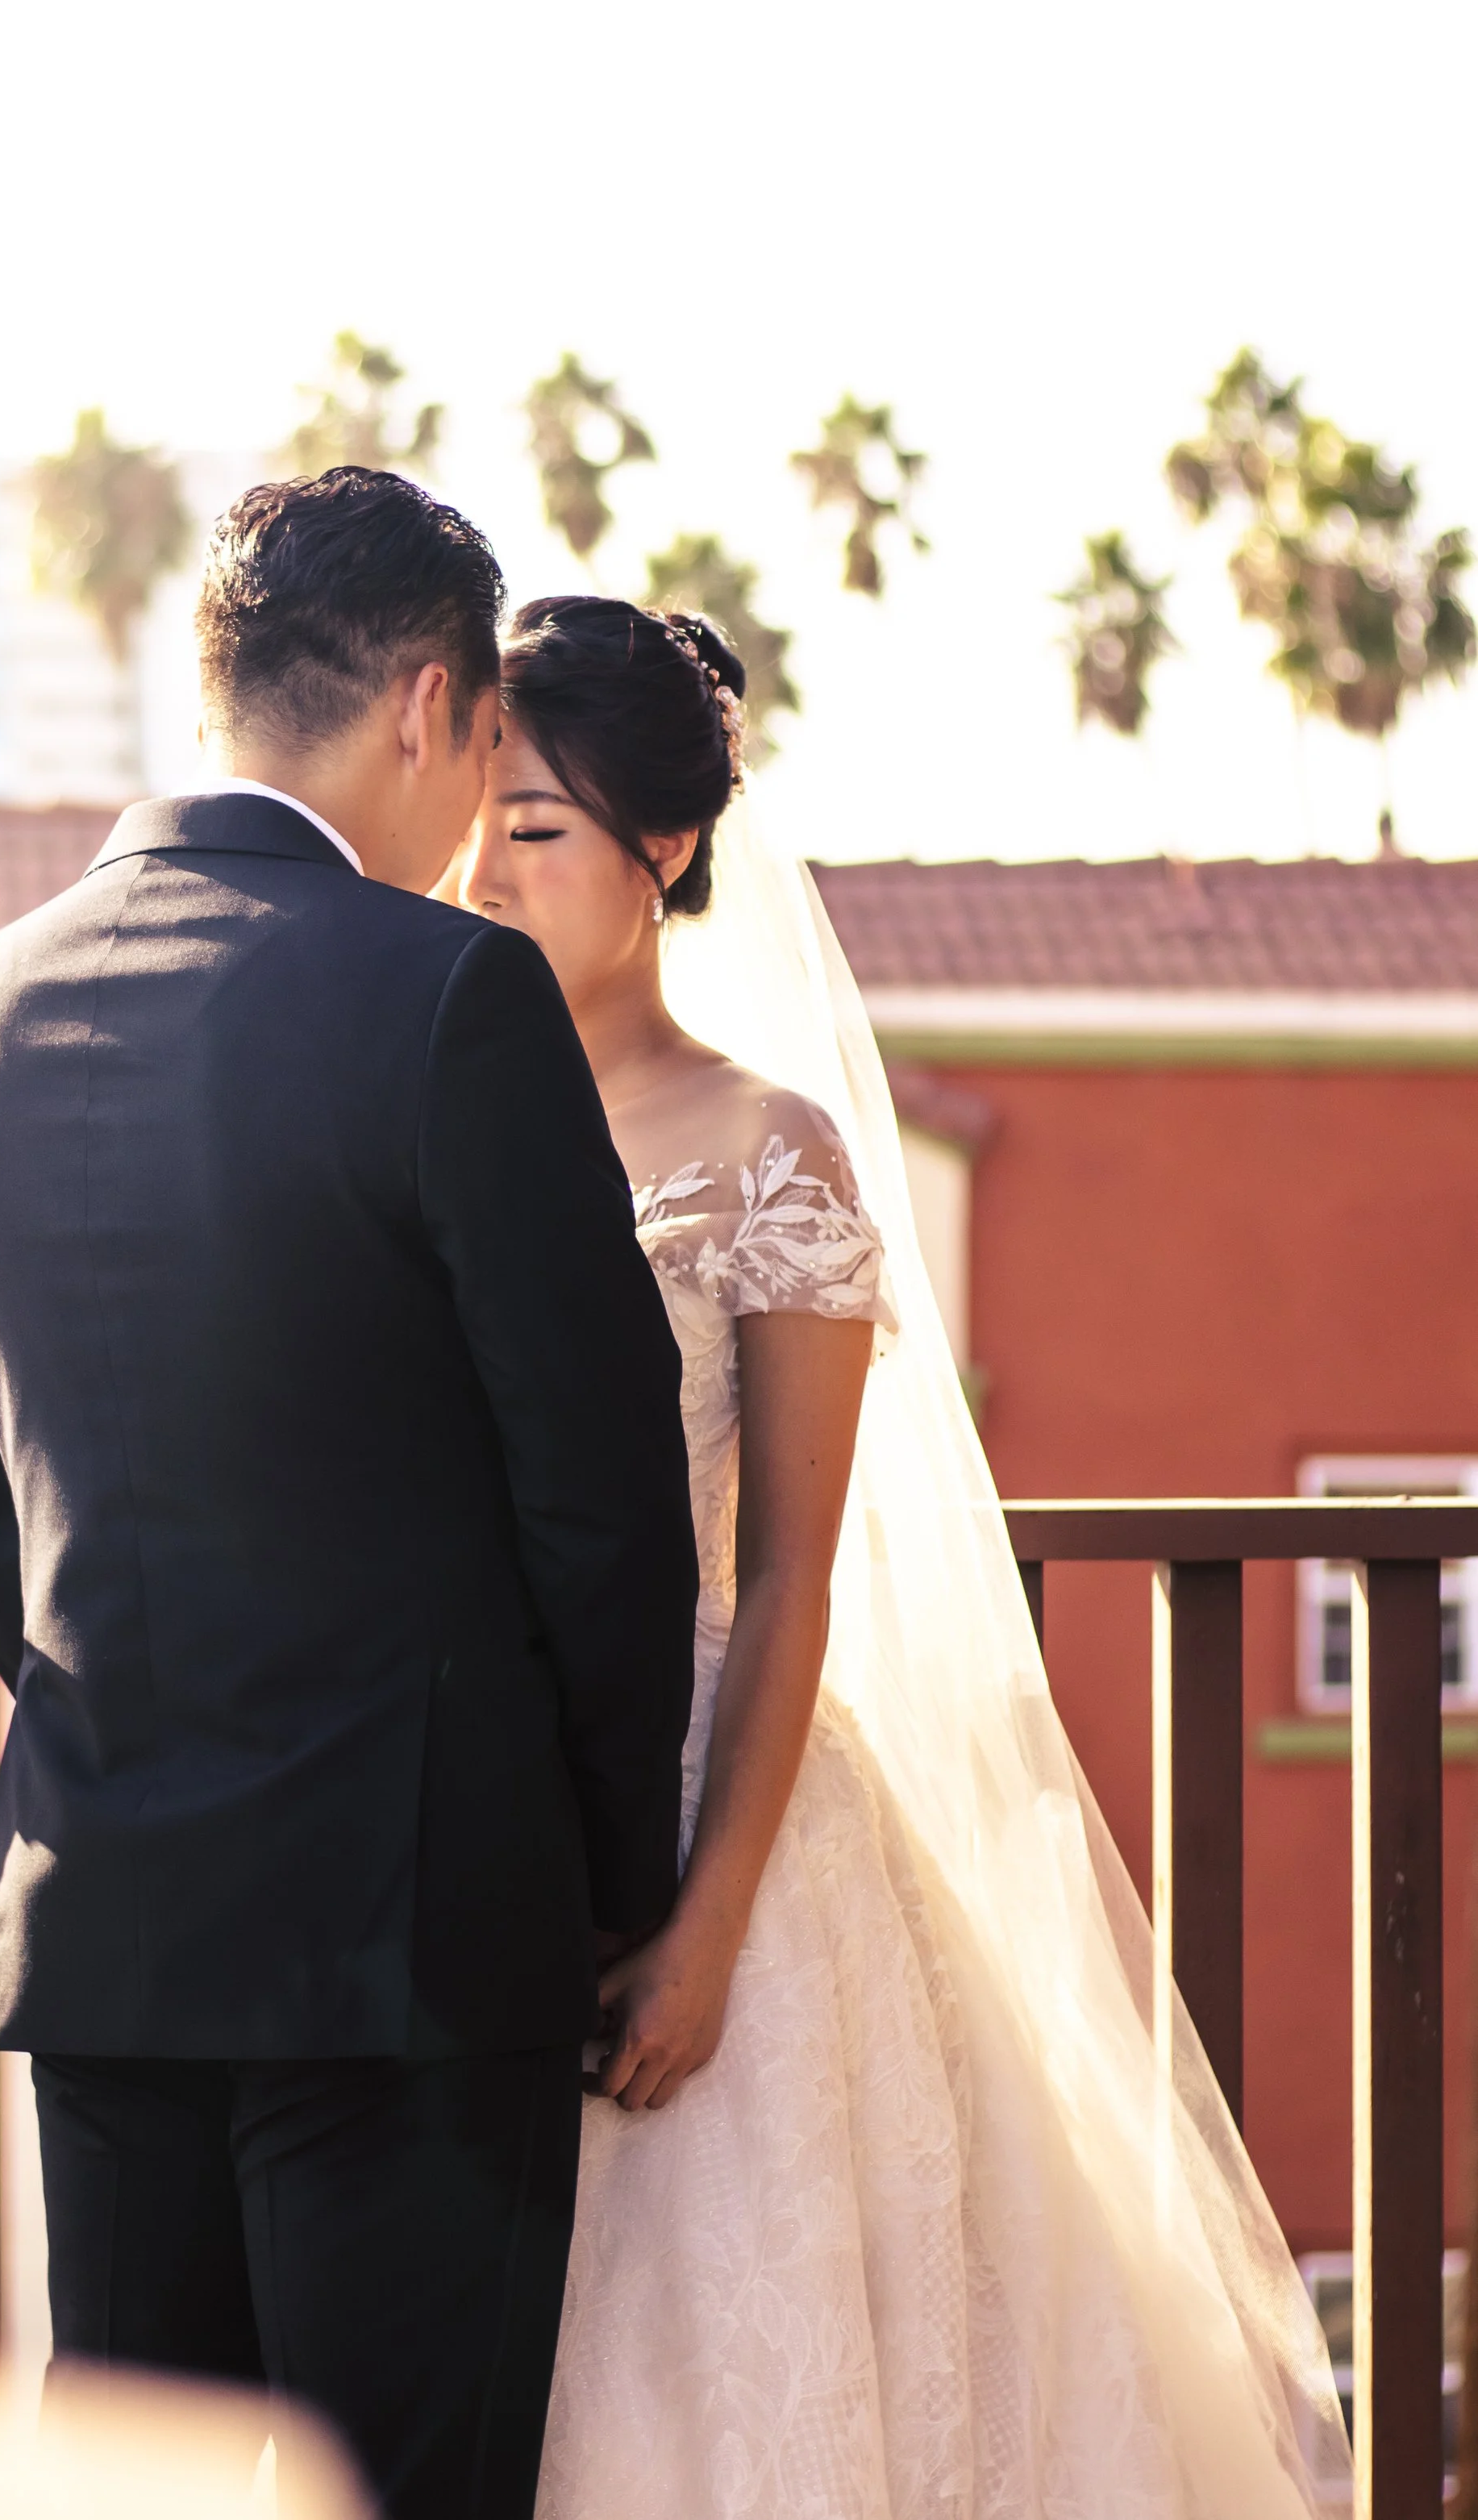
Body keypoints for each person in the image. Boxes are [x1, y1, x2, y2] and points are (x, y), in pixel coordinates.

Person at [452, 594, 1351, 2518]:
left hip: (715, 1826)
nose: (479, 867)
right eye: (470, 814)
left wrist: (703, 1926)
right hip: (455, 1822)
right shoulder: (420, 1114)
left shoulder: (762, 1145)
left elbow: (785, 1571)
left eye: (529, 826)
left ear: (663, 847)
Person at [0, 478, 698, 2520]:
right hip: (414, 1946)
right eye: (493, 738)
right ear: (434, 707)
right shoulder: (446, 997)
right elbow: (597, 1495)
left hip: (109, 1922)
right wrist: (606, 1873)